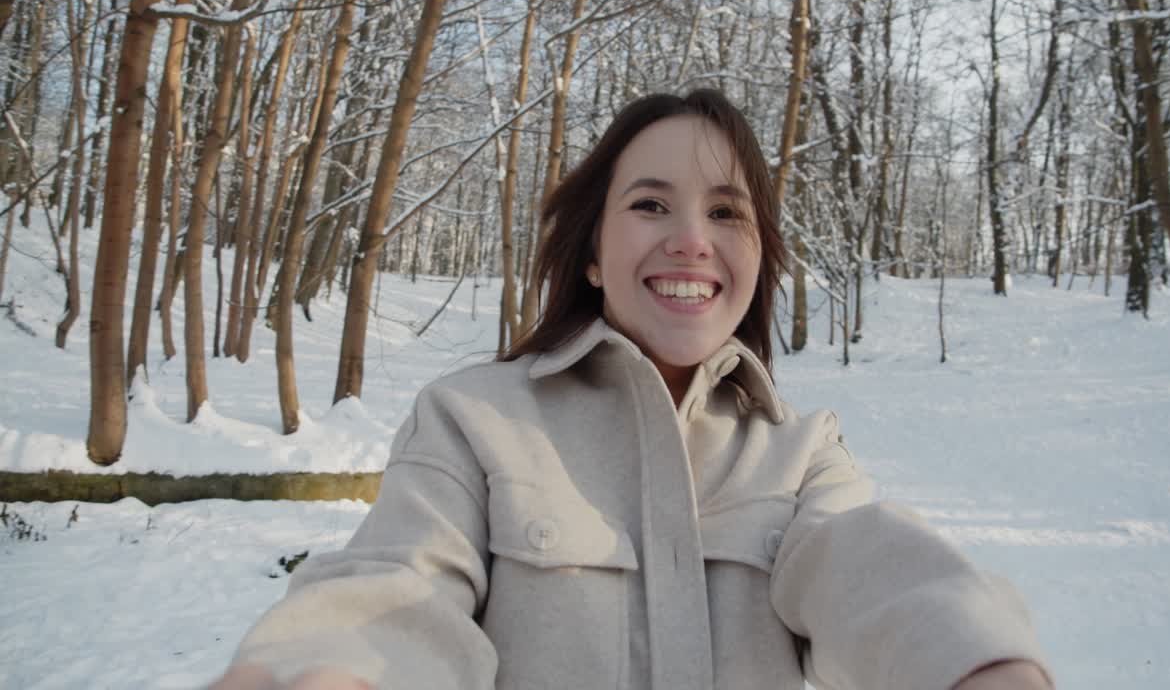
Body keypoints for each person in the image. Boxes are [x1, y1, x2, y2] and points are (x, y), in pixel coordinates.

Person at [212, 89, 1053, 690]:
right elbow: (401, 583)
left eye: (727, 213)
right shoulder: (472, 419)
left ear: (757, 262)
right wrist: (328, 664)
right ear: (589, 252)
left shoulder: (802, 453)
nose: (692, 240)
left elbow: (865, 565)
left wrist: (970, 654)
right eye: (651, 204)